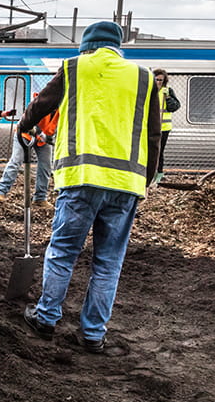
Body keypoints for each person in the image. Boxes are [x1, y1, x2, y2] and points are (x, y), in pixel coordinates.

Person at [19, 21, 161, 354]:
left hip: (80, 180)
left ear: (87, 47)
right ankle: (94, 334)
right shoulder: (144, 77)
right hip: (126, 184)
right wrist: (146, 178)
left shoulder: (74, 68)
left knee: (64, 252)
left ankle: (46, 317)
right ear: (117, 47)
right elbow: (153, 136)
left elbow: (41, 105)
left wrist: (23, 128)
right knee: (108, 262)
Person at [0, 94, 58, 208]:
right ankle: (0, 193)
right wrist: (40, 134)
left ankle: (40, 198)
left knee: (46, 166)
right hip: (24, 134)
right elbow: (30, 119)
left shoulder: (63, 107)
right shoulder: (41, 101)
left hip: (43, 140)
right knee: (16, 161)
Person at [152, 68, 181, 184]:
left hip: (164, 128)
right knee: (150, 150)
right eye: (156, 79)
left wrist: (168, 97)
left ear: (164, 81)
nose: (158, 82)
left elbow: (175, 107)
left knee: (159, 151)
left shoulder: (167, 91)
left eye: (160, 80)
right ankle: (148, 173)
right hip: (150, 127)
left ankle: (159, 174)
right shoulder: (149, 91)